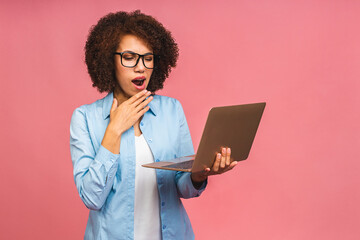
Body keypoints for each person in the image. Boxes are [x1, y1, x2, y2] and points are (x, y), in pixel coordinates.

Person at [70, 10, 237, 240]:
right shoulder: (85, 118)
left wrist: (198, 175)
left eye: (148, 58)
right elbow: (91, 198)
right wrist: (114, 130)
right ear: (110, 60)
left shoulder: (171, 110)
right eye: (129, 57)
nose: (141, 67)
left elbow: (182, 185)